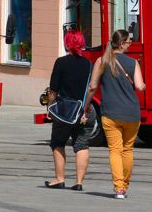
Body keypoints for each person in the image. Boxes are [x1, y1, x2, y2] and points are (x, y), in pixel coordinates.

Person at [83, 29, 146, 199]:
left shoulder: (102, 61)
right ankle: (124, 186)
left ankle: (119, 188)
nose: (130, 44)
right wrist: (144, 85)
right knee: (127, 150)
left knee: (115, 150)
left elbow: (92, 86)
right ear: (123, 43)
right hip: (132, 113)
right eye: (129, 42)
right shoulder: (133, 62)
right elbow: (140, 87)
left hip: (110, 113)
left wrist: (86, 105)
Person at [45, 30, 93, 190]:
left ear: (67, 44)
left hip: (65, 112)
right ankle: (79, 182)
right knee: (82, 145)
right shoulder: (88, 64)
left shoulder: (61, 63)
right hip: (83, 111)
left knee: (58, 142)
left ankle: (59, 179)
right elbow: (91, 87)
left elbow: (53, 90)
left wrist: (49, 108)